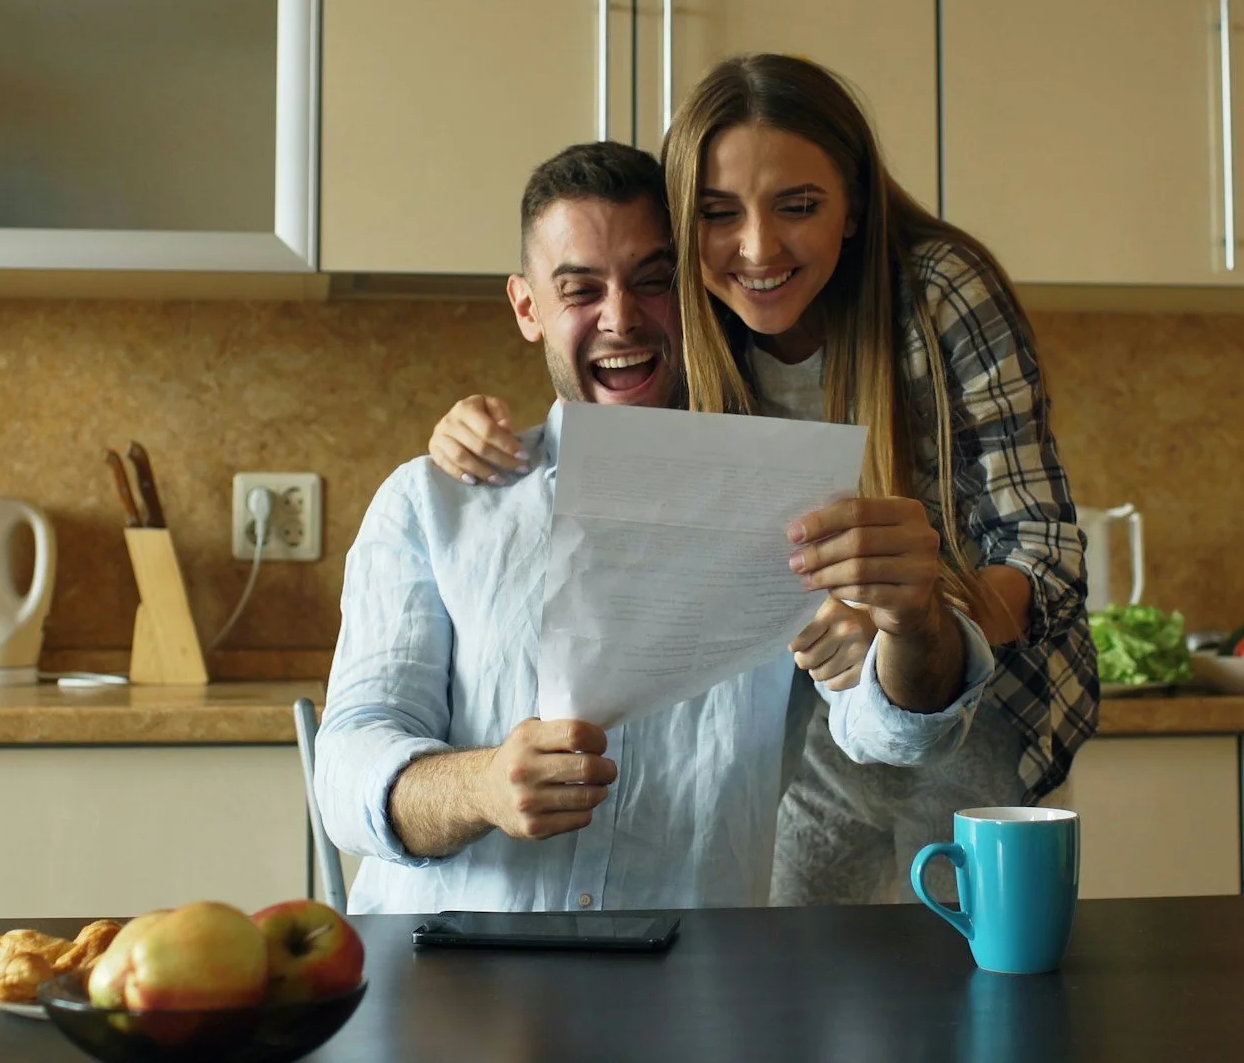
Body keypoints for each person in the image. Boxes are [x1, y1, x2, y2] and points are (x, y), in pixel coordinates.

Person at [427, 54, 1098, 904]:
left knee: (970, 992)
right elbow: (605, 398)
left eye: (799, 205)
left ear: (852, 203)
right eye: (716, 214)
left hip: (987, 713)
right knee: (799, 995)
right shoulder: (698, 314)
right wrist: (473, 426)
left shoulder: (935, 295)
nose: (756, 247)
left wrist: (912, 628)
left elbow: (1048, 563)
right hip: (801, 730)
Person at [314, 140, 994, 914]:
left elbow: (897, 736)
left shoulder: (788, 503)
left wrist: (912, 625)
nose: (620, 318)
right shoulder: (433, 502)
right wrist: (481, 787)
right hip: (443, 994)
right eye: (580, 289)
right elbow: (343, 772)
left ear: (697, 293)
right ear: (527, 307)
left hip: (688, 996)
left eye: (652, 281)